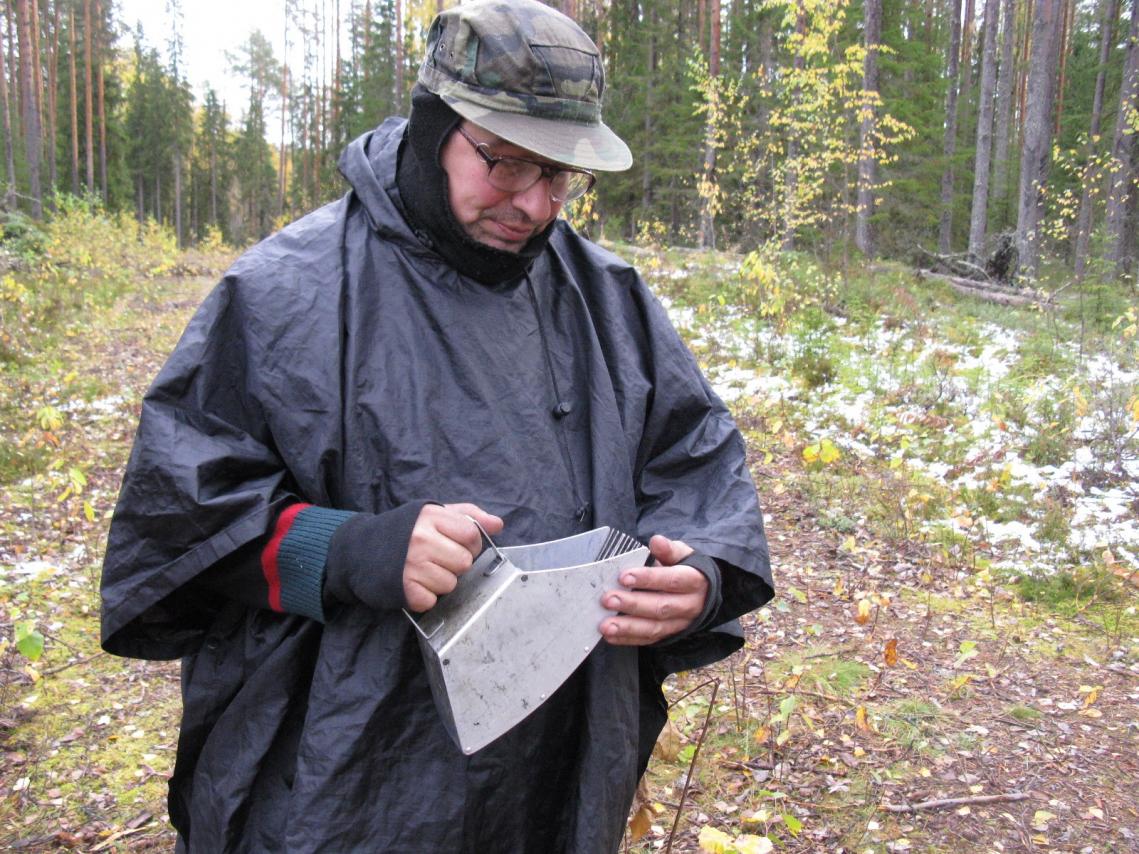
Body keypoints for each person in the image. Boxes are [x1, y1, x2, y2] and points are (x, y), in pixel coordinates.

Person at [100, 1, 773, 851]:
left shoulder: (608, 302)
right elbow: (182, 517)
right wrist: (350, 550)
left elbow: (695, 461)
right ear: (433, 127)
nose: (534, 203)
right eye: (508, 163)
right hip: (338, 759)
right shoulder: (285, 292)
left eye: (560, 175)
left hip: (561, 745)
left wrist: (699, 576)